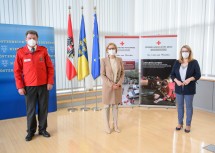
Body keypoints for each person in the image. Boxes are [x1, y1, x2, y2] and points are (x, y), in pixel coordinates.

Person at [14, 30, 54, 141]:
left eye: (34, 38)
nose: (32, 40)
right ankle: (30, 131)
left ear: (37, 39)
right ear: (26, 39)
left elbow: (50, 68)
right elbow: (17, 71)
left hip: (43, 86)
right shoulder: (21, 52)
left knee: (43, 109)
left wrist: (50, 82)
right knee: (30, 110)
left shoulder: (43, 51)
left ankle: (42, 129)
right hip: (29, 87)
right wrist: (20, 87)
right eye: (29, 38)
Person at [170, 45, 201, 133]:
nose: (184, 53)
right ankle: (180, 123)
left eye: (186, 51)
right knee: (179, 106)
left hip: (189, 88)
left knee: (188, 107)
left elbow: (198, 75)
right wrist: (176, 81)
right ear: (181, 53)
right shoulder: (177, 62)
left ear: (189, 52)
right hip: (179, 88)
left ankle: (188, 124)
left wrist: (190, 79)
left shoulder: (194, 62)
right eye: (183, 51)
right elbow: (172, 75)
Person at [101, 42, 125, 134]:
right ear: (107, 50)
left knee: (115, 107)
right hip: (108, 87)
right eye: (110, 48)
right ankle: (107, 126)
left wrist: (118, 83)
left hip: (117, 87)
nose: (112, 50)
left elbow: (123, 73)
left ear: (116, 50)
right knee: (107, 107)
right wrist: (111, 85)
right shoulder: (103, 60)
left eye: (113, 48)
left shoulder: (119, 60)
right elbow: (102, 75)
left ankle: (115, 125)